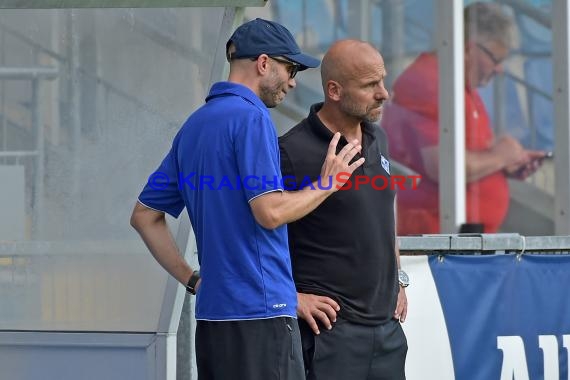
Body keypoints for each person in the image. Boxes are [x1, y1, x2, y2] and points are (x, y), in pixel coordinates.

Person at [130, 18, 365, 380]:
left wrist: (194, 282)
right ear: (264, 63)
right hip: (261, 315)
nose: (292, 81)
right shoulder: (252, 119)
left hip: (213, 319)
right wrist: (326, 184)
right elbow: (269, 212)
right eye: (291, 68)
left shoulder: (195, 125)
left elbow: (144, 216)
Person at [279, 39, 408, 380]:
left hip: (388, 332)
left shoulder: (377, 137)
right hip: (330, 335)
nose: (384, 93)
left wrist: (399, 277)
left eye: (382, 81)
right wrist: (289, 296)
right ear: (333, 90)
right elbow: (253, 232)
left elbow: (383, 214)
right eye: (370, 86)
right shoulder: (291, 151)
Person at [380, 2, 547, 235]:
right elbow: (441, 166)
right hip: (438, 242)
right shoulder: (430, 82)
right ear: (469, 48)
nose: (500, 70)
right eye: (496, 59)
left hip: (465, 241)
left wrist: (507, 164)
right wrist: (501, 155)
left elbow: (474, 153)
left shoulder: (462, 87)